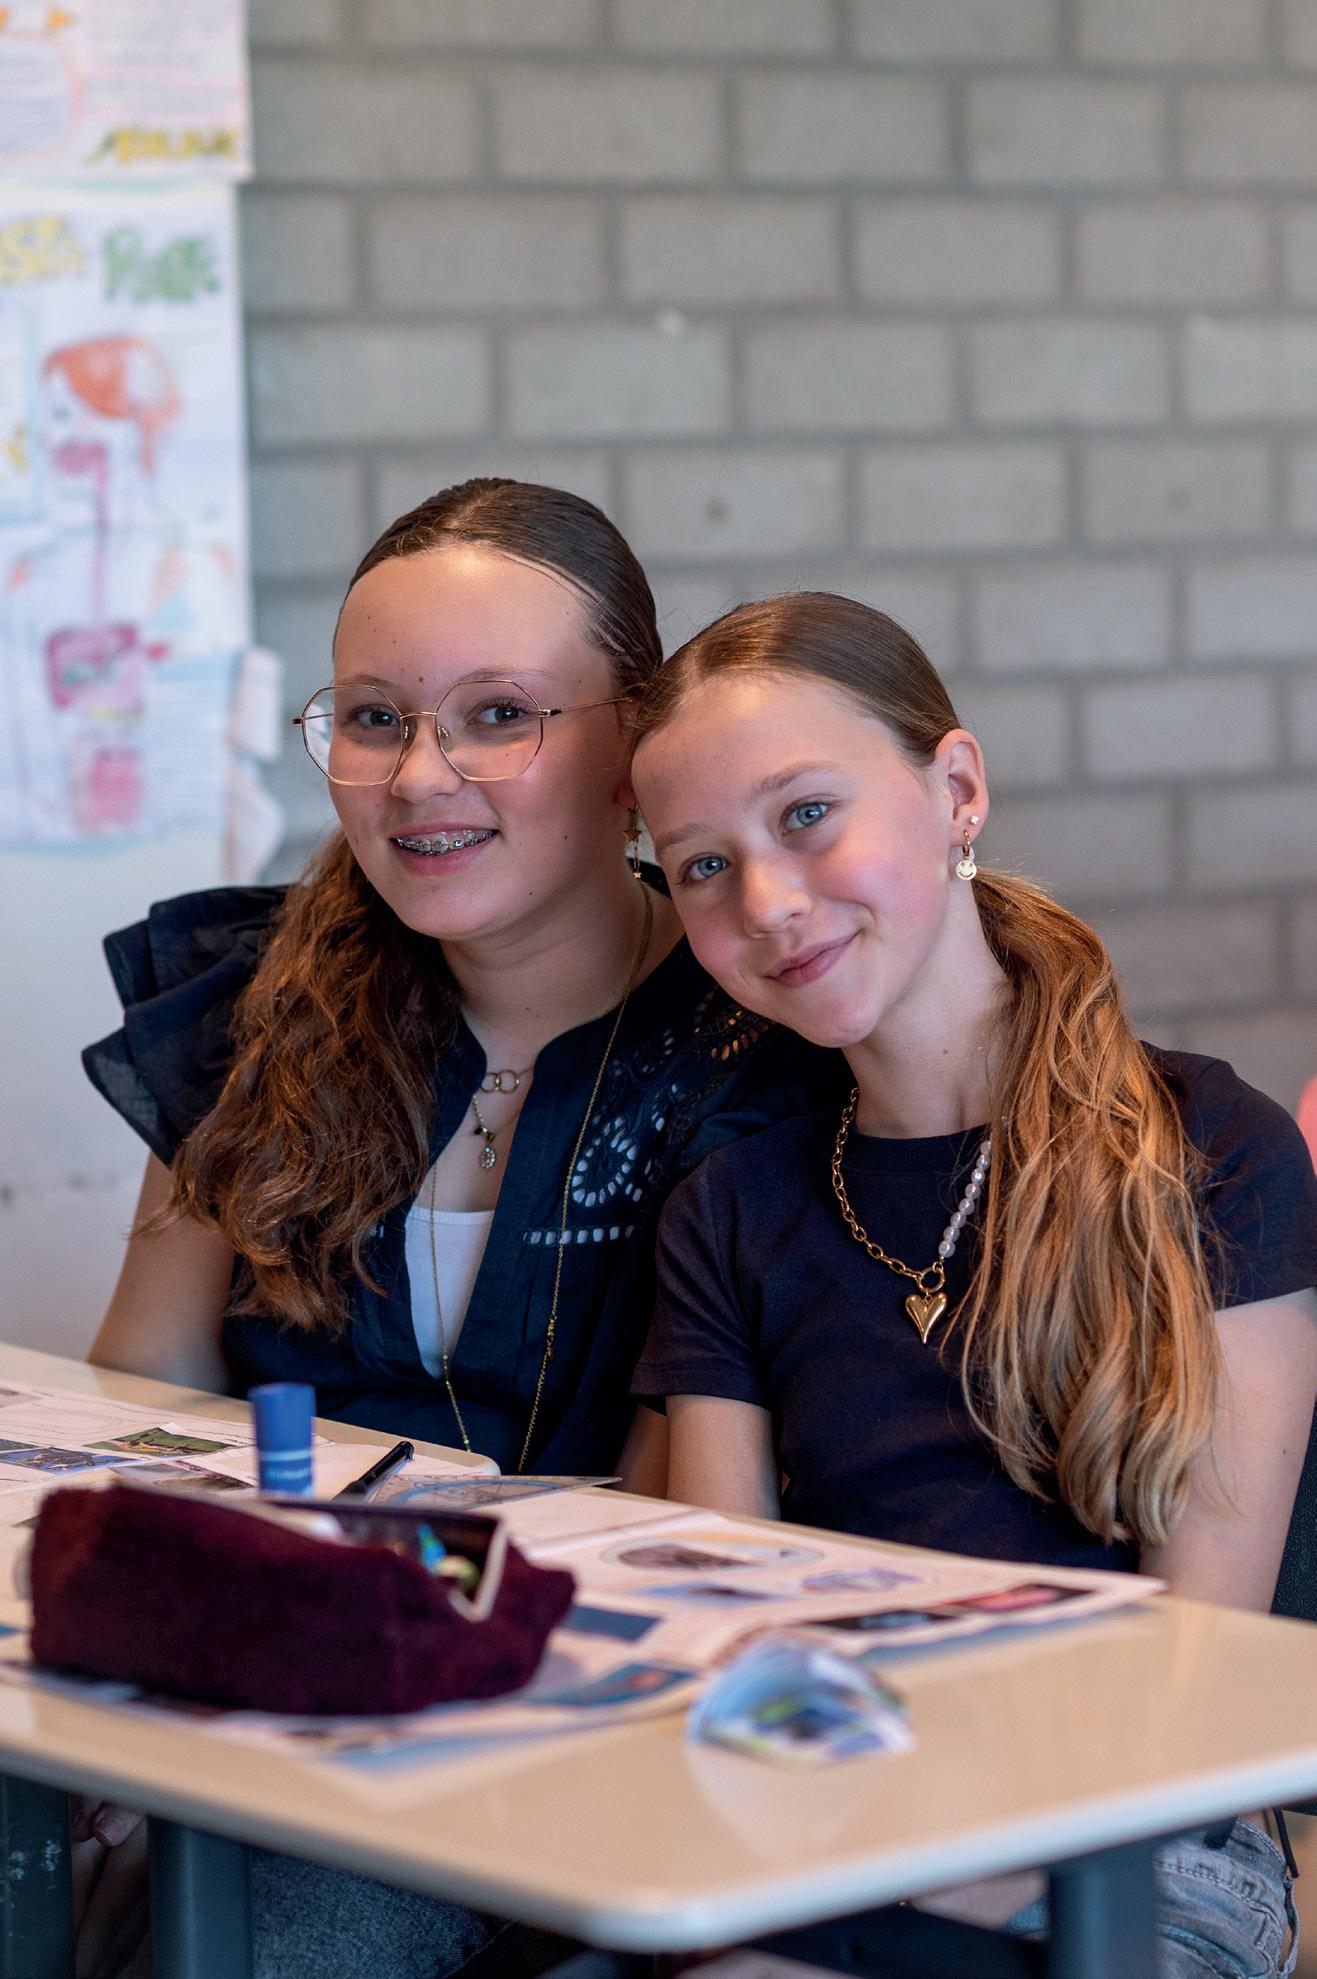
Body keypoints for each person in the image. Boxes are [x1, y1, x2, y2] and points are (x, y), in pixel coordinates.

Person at [77, 483, 831, 1979]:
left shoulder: (766, 1040)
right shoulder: (264, 1002)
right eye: (374, 719)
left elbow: (701, 1528)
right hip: (254, 1684)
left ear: (632, 746)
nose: (421, 777)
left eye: (498, 715)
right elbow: (143, 1393)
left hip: (565, 1727)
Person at [628, 591, 1317, 1975]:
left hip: (1144, 1842)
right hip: (832, 1818)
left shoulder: (1209, 1148)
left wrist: (903, 1858)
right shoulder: (733, 1208)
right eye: (702, 866)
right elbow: (737, 1634)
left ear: (955, 790)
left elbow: (1193, 1670)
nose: (767, 901)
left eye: (806, 815)